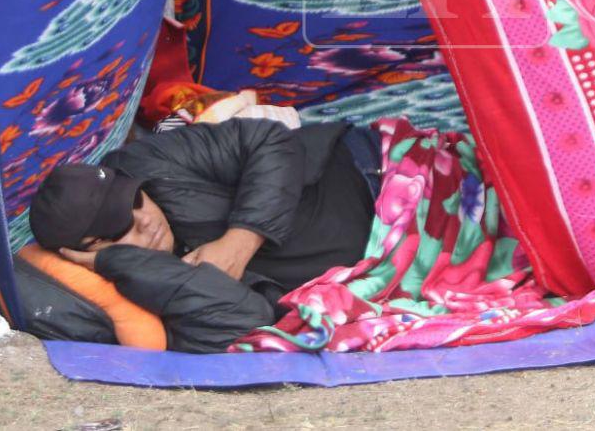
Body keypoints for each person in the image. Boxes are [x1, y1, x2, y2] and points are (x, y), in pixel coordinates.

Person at [27, 115, 383, 352]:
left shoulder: (146, 162)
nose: (146, 219)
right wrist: (120, 262)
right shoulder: (145, 285)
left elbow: (271, 140)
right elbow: (246, 322)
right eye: (122, 225)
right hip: (380, 259)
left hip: (374, 177)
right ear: (89, 251)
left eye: (136, 198)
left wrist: (241, 239)